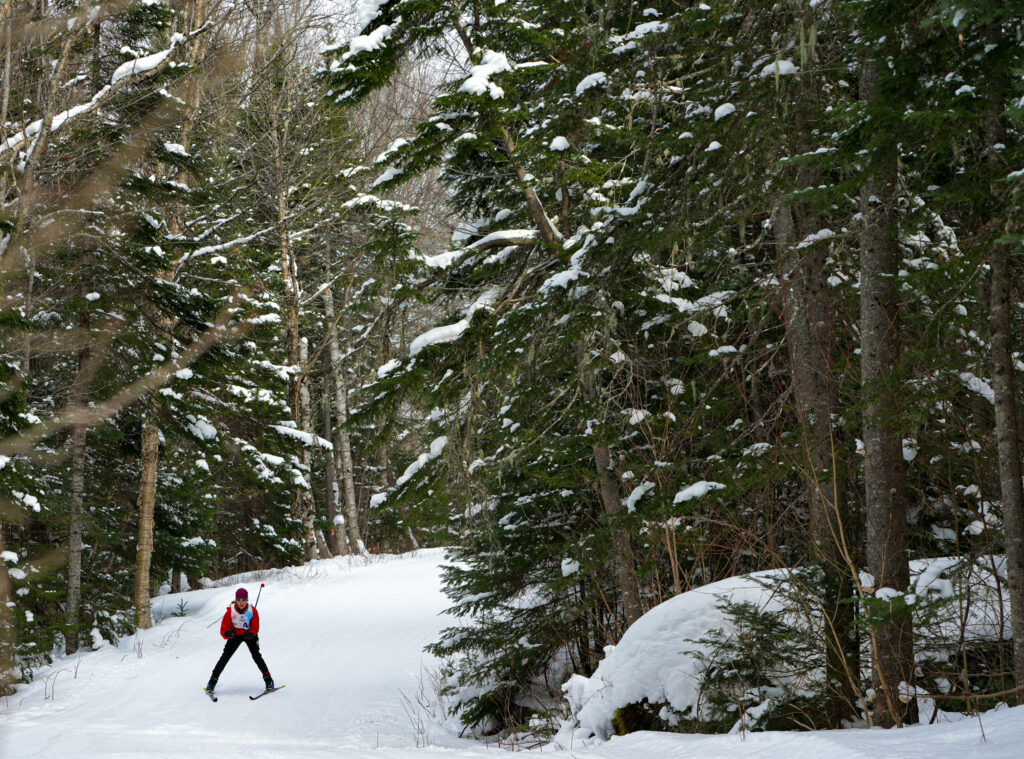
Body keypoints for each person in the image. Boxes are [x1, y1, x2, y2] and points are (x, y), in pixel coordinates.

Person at [204, 587, 274, 695]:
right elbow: (224, 628)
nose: (241, 602)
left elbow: (255, 626)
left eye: (243, 599)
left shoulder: (252, 610)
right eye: (239, 599)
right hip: (235, 636)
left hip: (248, 635)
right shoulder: (230, 612)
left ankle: (268, 679)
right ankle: (212, 681)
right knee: (225, 657)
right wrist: (228, 633)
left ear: (247, 600)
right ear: (236, 600)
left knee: (256, 656)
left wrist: (251, 633)